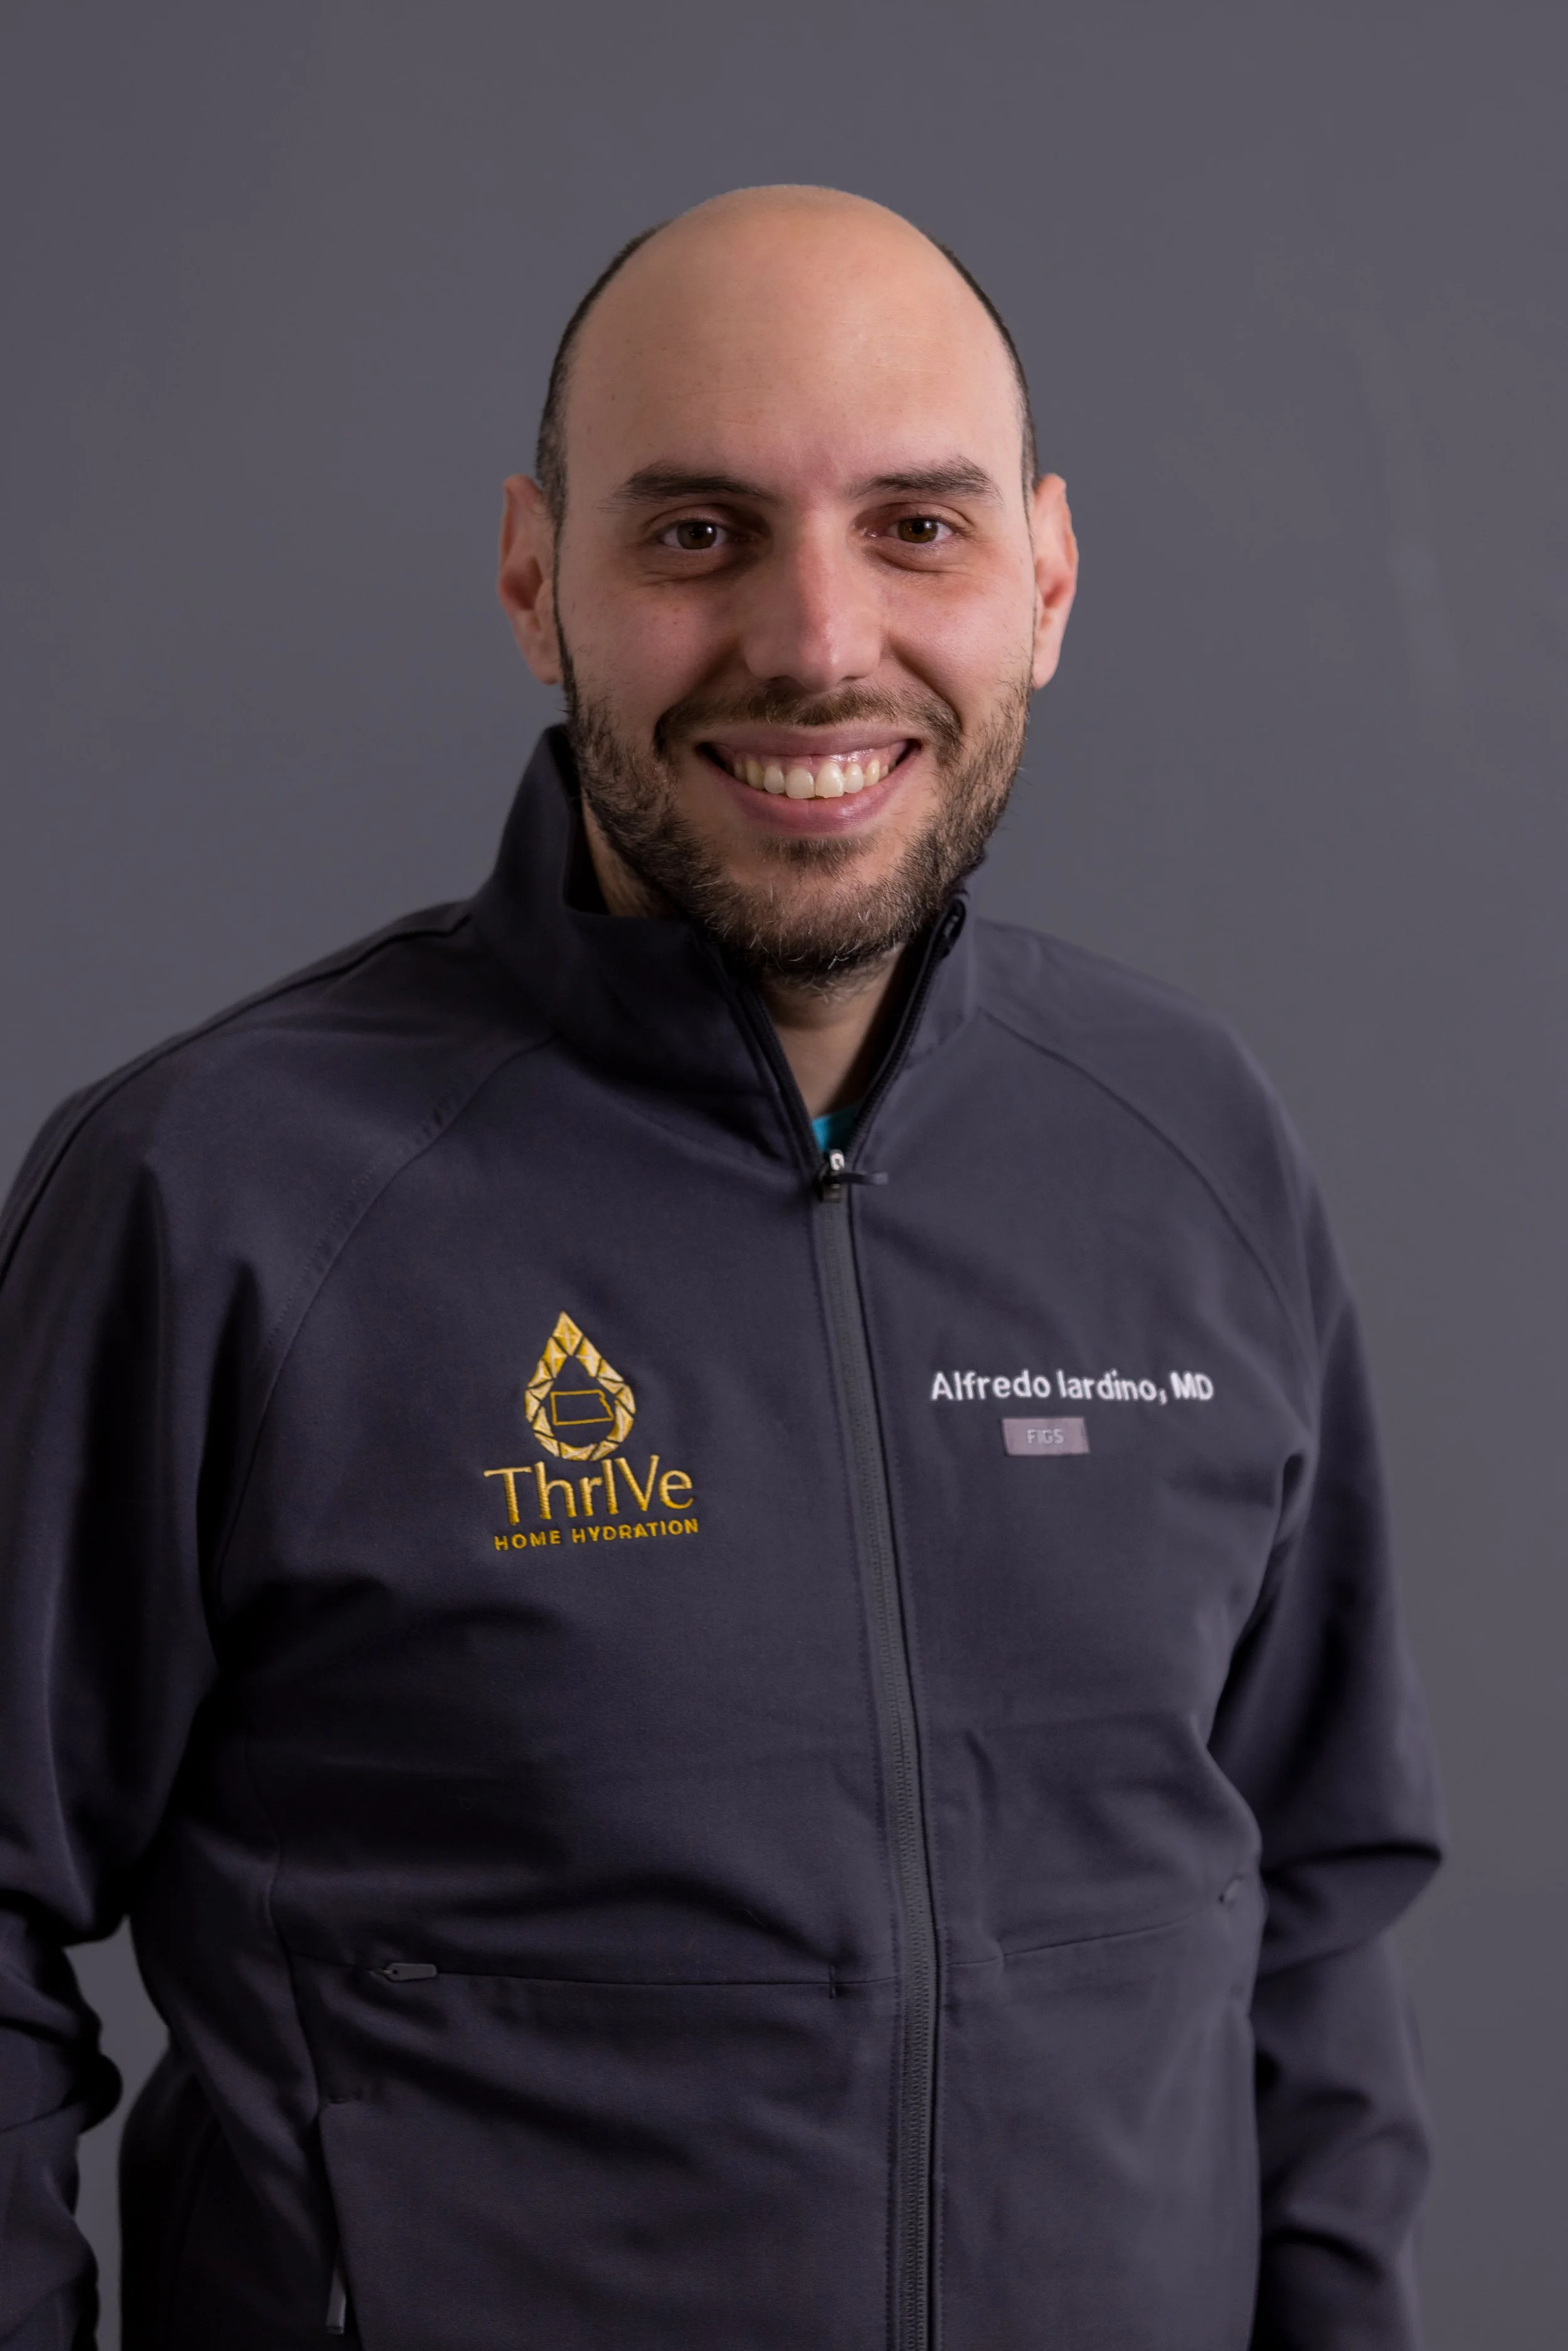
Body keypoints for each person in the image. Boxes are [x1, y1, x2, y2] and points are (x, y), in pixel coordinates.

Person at [0, 186, 1441, 2351]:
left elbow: (1310, 1901)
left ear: (1044, 576)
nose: (816, 640)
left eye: (916, 530)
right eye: (695, 533)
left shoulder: (1186, 1147)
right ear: (532, 577)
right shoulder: (217, 1195)